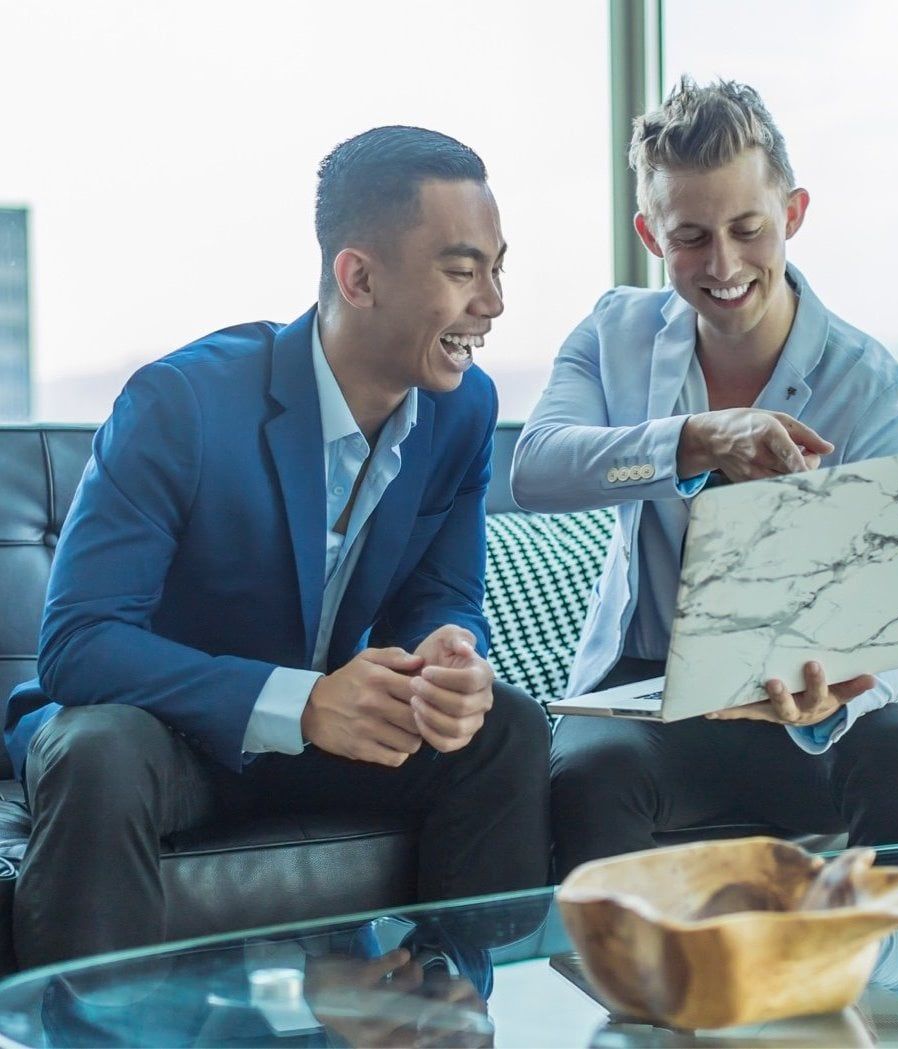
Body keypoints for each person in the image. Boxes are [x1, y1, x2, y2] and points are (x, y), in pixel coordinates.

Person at [6, 125, 551, 967]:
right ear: (359, 276)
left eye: (496, 265)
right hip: (168, 736)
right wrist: (298, 702)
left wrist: (451, 650)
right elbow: (79, 644)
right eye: (461, 269)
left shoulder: (462, 409)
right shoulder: (180, 402)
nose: (494, 301)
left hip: (326, 739)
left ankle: (441, 1002)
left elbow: (441, 595)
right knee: (97, 749)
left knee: (503, 726)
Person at [511, 78, 898, 878]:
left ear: (793, 213)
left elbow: (896, 616)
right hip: (649, 692)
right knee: (586, 774)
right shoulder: (612, 334)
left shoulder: (872, 387)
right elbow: (536, 468)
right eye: (690, 237)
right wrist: (695, 440)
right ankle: (631, 1004)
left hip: (814, 696)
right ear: (649, 234)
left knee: (897, 755)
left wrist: (838, 692)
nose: (723, 264)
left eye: (748, 228)